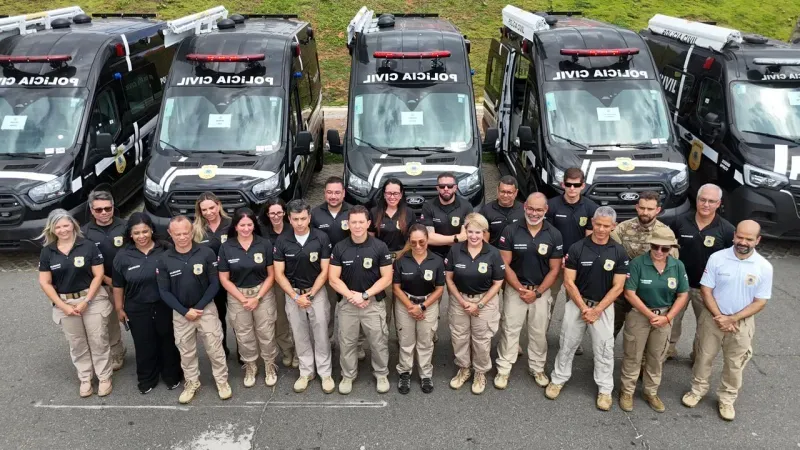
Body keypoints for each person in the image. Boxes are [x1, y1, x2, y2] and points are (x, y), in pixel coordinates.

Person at [681, 220, 772, 421]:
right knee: (704, 357)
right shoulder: (717, 258)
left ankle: (727, 399)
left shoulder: (764, 267)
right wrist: (719, 316)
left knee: (735, 363)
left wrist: (733, 318)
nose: (743, 241)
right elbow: (706, 289)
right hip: (713, 317)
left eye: (749, 239)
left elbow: (760, 301)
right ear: (734, 236)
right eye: (740, 236)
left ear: (757, 240)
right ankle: (697, 390)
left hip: (741, 322)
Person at [545, 207, 629, 411]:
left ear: (613, 227)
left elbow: (618, 286)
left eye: (606, 226)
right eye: (598, 224)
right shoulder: (577, 248)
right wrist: (584, 308)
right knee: (567, 344)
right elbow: (568, 281)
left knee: (604, 350)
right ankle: (558, 379)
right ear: (592, 222)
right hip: (578, 305)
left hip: (603, 308)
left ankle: (605, 390)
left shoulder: (619, 251)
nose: (600, 229)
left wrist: (598, 310)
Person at [38, 209, 113, 397]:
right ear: (52, 229)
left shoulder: (88, 246)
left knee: (98, 340)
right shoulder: (48, 252)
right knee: (77, 343)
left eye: (66, 225)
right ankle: (85, 378)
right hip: (65, 303)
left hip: (92, 299)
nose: (63, 230)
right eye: (58, 226)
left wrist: (86, 301)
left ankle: (104, 377)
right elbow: (45, 282)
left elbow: (98, 275)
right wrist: (62, 306)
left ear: (73, 225)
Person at [158, 216, 231, 404]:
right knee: (186, 351)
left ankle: (222, 381)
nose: (182, 237)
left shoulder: (206, 253)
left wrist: (198, 308)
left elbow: (215, 283)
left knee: (215, 348)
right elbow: (164, 291)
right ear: (170, 234)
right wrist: (184, 311)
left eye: (186, 233)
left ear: (192, 232)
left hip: (205, 309)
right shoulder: (165, 259)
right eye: (177, 234)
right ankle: (191, 382)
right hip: (181, 313)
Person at [494, 193, 562, 390]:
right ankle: (504, 369)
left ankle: (537, 368)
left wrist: (538, 292)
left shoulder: (554, 234)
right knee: (510, 329)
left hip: (540, 292)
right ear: (525, 208)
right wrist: (521, 289)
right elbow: (505, 264)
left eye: (539, 210)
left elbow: (555, 269)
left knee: (538, 332)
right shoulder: (511, 230)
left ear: (545, 210)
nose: (534, 213)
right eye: (531, 209)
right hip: (517, 290)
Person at [619, 229, 689, 413]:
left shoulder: (677, 266)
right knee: (633, 355)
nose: (659, 251)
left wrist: (668, 317)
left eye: (664, 249)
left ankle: (651, 392)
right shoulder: (637, 263)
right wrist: (650, 316)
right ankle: (627, 391)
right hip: (640, 315)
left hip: (665, 316)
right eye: (655, 247)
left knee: (656, 357)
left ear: (671, 249)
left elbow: (682, 295)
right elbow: (629, 293)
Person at [112, 213, 182, 394]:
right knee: (144, 344)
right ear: (130, 235)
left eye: (145, 231)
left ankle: (171, 375)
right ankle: (147, 379)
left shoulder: (166, 248)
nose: (141, 236)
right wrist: (119, 308)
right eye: (136, 233)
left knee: (168, 342)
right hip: (137, 307)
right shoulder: (122, 256)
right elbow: (118, 285)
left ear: (152, 230)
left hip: (164, 305)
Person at [328, 205, 393, 395]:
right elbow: (333, 278)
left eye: (361, 222)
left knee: (378, 341)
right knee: (347, 342)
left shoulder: (379, 246)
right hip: (348, 304)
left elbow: (387, 278)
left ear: (368, 223)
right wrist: (352, 296)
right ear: (347, 224)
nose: (357, 226)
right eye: (353, 222)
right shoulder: (340, 248)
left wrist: (365, 295)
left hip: (373, 304)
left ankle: (381, 374)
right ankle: (348, 376)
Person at [274, 199, 335, 394]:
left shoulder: (321, 238)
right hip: (293, 294)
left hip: (316, 292)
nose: (299, 223)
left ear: (309, 217)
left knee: (321, 334)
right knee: (299, 334)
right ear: (289, 219)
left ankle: (325, 373)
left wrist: (312, 293)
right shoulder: (282, 240)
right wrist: (294, 296)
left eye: (303, 218)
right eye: (295, 219)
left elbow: (325, 270)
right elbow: (278, 273)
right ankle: (306, 372)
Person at [668, 184, 735, 360]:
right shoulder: (679, 221)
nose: (706, 204)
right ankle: (667, 350)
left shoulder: (727, 230)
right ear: (696, 200)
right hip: (678, 284)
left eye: (711, 201)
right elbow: (666, 247)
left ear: (718, 203)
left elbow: (732, 260)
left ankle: (697, 355)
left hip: (707, 289)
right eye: (703, 199)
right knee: (672, 320)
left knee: (704, 326)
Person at [218, 208, 279, 389]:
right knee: (244, 334)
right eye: (242, 225)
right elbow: (223, 278)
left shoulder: (264, 244)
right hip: (238, 294)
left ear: (254, 225)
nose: (246, 228)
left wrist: (257, 297)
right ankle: (250, 366)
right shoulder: (226, 247)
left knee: (266, 332)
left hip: (262, 293)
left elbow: (271, 275)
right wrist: (242, 299)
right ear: (235, 226)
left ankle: (269, 365)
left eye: (249, 224)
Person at [445, 213, 505, 395]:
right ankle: (464, 368)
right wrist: (462, 301)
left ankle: (480, 372)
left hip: (484, 301)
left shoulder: (493, 253)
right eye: (470, 231)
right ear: (465, 230)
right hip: (460, 300)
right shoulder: (455, 250)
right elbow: (449, 278)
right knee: (459, 336)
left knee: (481, 339)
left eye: (478, 232)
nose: (473, 236)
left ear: (484, 233)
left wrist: (479, 305)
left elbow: (498, 283)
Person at [610, 191, 679, 337]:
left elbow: (671, 266)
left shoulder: (665, 233)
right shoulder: (622, 228)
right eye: (642, 208)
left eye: (650, 209)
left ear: (658, 210)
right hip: (623, 290)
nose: (645, 212)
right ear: (636, 207)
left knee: (644, 335)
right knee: (611, 329)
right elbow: (612, 256)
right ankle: (605, 357)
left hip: (649, 293)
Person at [545, 167, 599, 355]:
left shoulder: (591, 208)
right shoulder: (551, 205)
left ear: (583, 186)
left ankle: (573, 340)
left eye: (576, 185)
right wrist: (557, 257)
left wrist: (575, 260)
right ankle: (541, 336)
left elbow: (590, 240)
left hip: (576, 266)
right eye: (568, 185)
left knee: (575, 303)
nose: (572, 189)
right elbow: (548, 236)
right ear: (563, 184)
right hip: (554, 263)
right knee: (547, 300)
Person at [392, 224, 445, 394]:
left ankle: (425, 374)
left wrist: (422, 306)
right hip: (405, 304)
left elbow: (439, 289)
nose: (418, 246)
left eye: (422, 242)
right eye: (413, 243)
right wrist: (410, 306)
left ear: (428, 240)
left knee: (425, 341)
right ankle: (405, 372)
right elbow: (396, 287)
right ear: (409, 242)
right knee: (406, 341)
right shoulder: (401, 260)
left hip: (427, 304)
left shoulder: (436, 261)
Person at [81, 189, 127, 370]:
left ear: (113, 207)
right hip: (104, 284)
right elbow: (86, 265)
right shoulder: (85, 233)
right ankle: (117, 352)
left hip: (129, 283)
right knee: (110, 321)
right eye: (98, 209)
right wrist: (109, 281)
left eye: (108, 208)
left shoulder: (125, 227)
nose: (104, 213)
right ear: (91, 210)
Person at [311, 177, 355, 351]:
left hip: (350, 270)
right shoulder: (315, 214)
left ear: (344, 193)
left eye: (337, 192)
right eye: (329, 192)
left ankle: (353, 344)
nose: (333, 196)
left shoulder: (354, 212)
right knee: (326, 309)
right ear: (324, 193)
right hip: (325, 271)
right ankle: (327, 341)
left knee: (351, 309)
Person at [370, 178, 417, 331]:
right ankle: (383, 334)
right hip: (380, 261)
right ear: (383, 194)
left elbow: (413, 239)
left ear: (402, 194)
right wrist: (382, 261)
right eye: (389, 193)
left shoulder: (409, 213)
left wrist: (402, 255)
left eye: (396, 193)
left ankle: (403, 335)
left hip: (403, 259)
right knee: (384, 301)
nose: (392, 197)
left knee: (402, 301)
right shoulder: (375, 212)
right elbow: (370, 239)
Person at [192, 192, 234, 358]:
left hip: (233, 279)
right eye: (204, 210)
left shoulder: (231, 224)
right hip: (211, 282)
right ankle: (222, 350)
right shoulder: (196, 230)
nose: (209, 212)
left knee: (239, 319)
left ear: (218, 205)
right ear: (199, 211)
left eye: (211, 207)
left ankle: (243, 354)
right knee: (218, 318)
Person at [258, 198, 297, 369]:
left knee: (296, 318)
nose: (276, 216)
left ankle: (298, 351)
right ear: (267, 214)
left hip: (294, 278)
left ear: (285, 213)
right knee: (280, 318)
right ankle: (287, 350)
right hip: (273, 281)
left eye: (279, 212)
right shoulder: (262, 231)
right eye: (272, 213)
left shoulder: (293, 228)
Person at [420, 172, 471, 258]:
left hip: (459, 254)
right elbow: (429, 238)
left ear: (455, 188)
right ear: (437, 188)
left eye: (450, 186)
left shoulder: (466, 206)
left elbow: (465, 236)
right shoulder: (428, 206)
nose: (446, 189)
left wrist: (439, 239)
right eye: (442, 186)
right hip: (434, 254)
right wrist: (456, 238)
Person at [479, 175, 524, 246]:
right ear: (497, 190)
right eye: (502, 191)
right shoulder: (486, 211)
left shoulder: (524, 210)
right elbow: (481, 238)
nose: (505, 195)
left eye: (509, 192)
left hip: (518, 255)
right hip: (495, 254)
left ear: (516, 192)